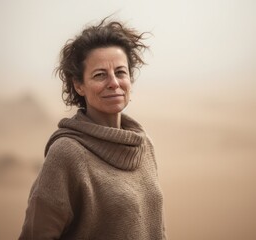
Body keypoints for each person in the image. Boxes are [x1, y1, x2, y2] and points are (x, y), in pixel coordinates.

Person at [19, 17, 167, 240]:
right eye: (100, 75)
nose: (114, 83)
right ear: (79, 85)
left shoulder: (144, 145)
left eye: (120, 72)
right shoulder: (67, 153)